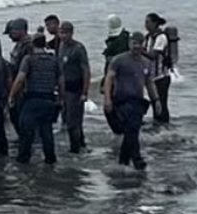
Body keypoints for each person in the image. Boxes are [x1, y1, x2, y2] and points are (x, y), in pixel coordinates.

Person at [103, 32, 161, 170]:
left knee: (132, 129)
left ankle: (128, 161)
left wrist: (156, 101)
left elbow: (149, 83)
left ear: (143, 45)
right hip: (121, 100)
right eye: (134, 43)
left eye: (140, 44)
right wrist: (107, 99)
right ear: (129, 43)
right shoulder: (119, 60)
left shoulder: (146, 63)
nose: (137, 46)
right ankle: (132, 160)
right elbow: (109, 79)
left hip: (137, 101)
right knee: (130, 130)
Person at [9, 33, 63, 164]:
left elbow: (20, 79)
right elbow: (61, 81)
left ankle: (23, 160)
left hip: (32, 99)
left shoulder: (29, 59)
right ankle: (50, 159)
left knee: (26, 130)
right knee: (47, 131)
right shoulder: (54, 60)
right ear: (44, 44)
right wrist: (61, 98)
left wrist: (11, 95)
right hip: (49, 99)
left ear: (33, 44)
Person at [57, 21, 90, 153]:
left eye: (66, 33)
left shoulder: (78, 48)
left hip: (76, 89)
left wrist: (85, 92)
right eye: (61, 33)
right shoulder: (61, 46)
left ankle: (75, 149)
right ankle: (81, 145)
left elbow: (86, 70)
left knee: (73, 123)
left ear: (71, 33)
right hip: (65, 90)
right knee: (68, 120)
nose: (63, 36)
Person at [4, 18, 34, 129]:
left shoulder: (29, 45)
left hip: (25, 87)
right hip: (17, 84)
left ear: (21, 31)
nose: (10, 36)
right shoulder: (19, 45)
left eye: (11, 33)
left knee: (22, 116)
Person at [145, 12, 172, 124]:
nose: (146, 25)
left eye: (148, 22)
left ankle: (164, 124)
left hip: (161, 76)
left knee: (161, 103)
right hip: (151, 77)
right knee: (155, 102)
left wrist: (139, 51)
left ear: (155, 23)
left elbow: (153, 55)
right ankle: (158, 123)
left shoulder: (161, 37)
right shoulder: (148, 37)